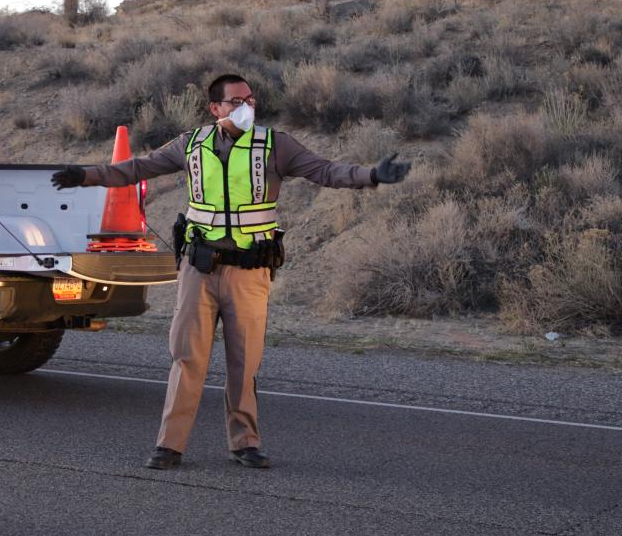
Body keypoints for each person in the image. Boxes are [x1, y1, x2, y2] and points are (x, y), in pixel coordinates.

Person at [51, 74, 410, 470]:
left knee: (244, 362)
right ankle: (169, 446)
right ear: (216, 108)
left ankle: (245, 443)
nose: (247, 107)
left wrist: (371, 175)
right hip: (197, 270)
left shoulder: (276, 144)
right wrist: (85, 175)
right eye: (237, 101)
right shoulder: (191, 144)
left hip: (249, 272)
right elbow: (136, 168)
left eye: (251, 99)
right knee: (187, 359)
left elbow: (325, 171)